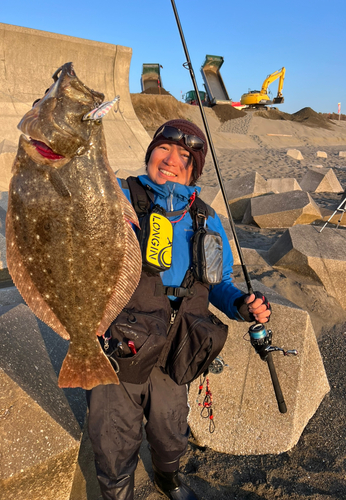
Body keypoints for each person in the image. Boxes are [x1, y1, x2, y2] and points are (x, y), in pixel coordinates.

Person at [87, 119, 271, 500]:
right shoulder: (119, 194)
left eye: (184, 156)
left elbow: (217, 283)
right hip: (121, 341)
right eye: (164, 148)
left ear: (195, 168)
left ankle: (167, 478)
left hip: (178, 347)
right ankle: (117, 492)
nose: (171, 160)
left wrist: (242, 305)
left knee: (171, 430)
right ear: (150, 151)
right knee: (113, 434)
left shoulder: (207, 217)